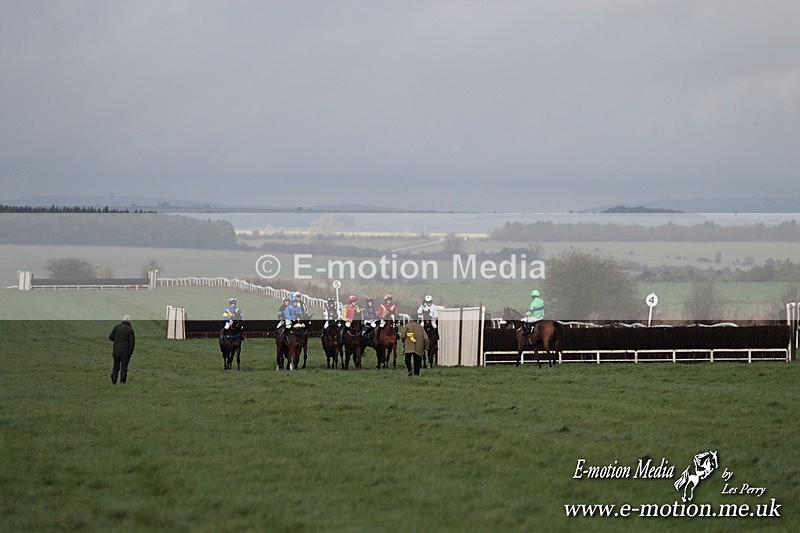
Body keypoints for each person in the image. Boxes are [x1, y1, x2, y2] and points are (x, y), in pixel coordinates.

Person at [108, 314, 135, 384]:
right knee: (124, 367)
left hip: (116, 350)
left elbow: (110, 337)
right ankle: (122, 381)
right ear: (130, 321)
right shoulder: (130, 330)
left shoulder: (116, 327)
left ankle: (114, 379)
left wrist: (117, 340)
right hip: (126, 352)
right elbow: (132, 343)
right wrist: (131, 352)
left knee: (115, 365)